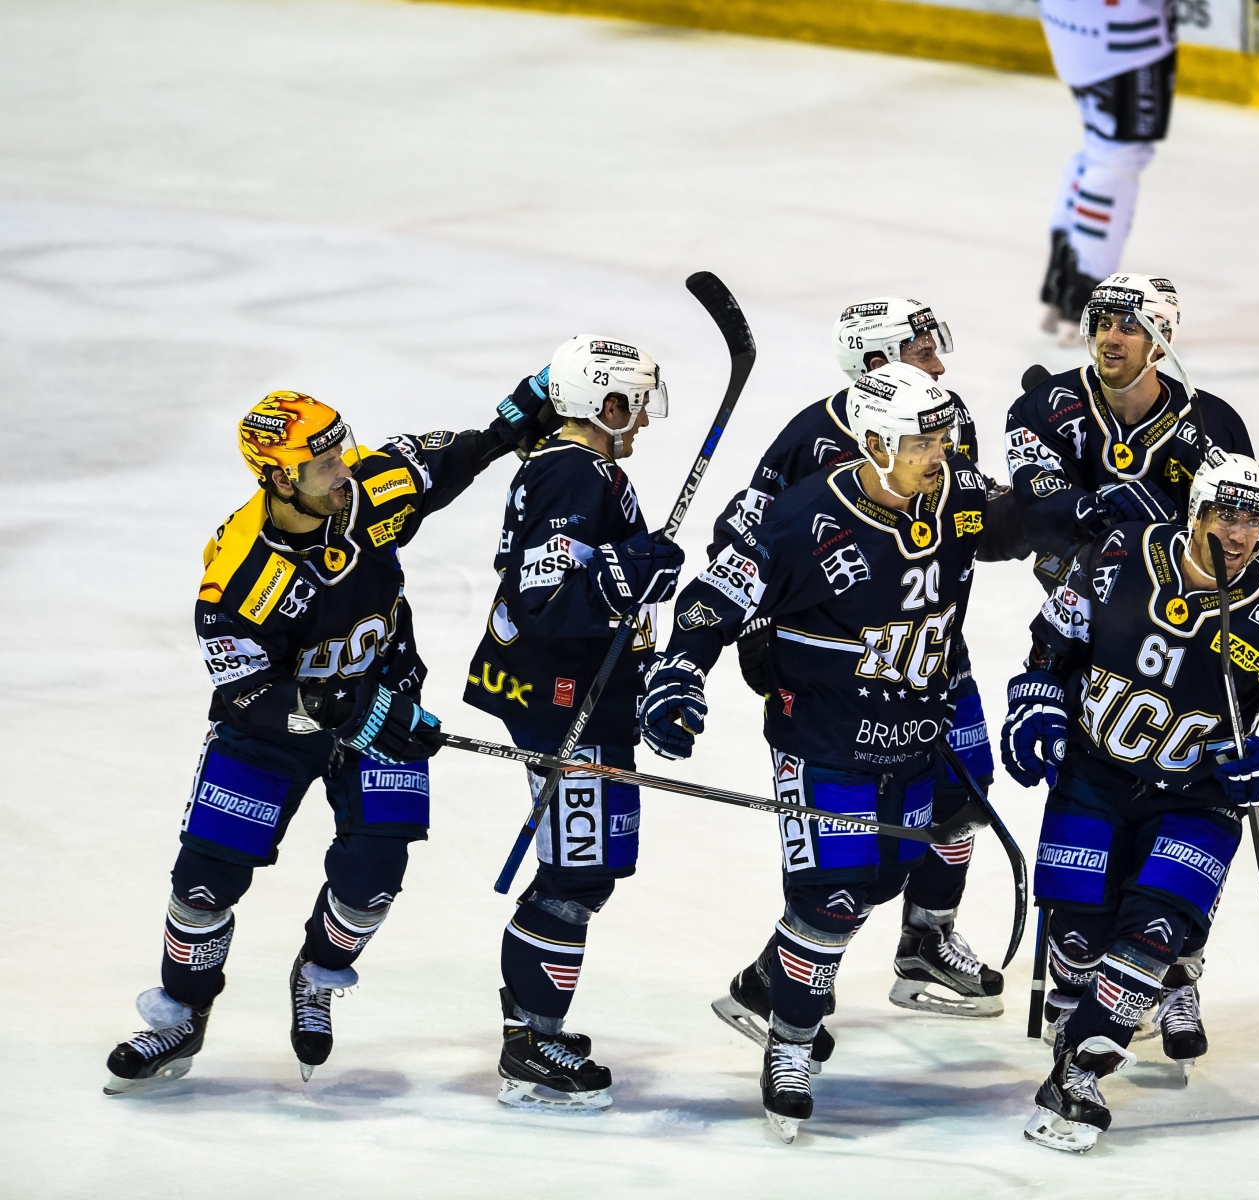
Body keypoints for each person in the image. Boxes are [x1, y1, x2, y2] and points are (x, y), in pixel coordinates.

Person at [104, 389, 544, 1095]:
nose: (346, 470)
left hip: (385, 704)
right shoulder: (237, 577)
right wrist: (337, 713)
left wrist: (520, 415)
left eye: (342, 452)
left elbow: (454, 458)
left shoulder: (367, 491)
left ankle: (317, 975)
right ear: (280, 478)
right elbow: (250, 694)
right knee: (202, 884)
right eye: (324, 463)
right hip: (273, 732)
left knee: (371, 886)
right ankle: (182, 1013)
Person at [640, 363, 1016, 1142]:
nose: (941, 453)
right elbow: (716, 599)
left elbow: (1018, 523)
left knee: (883, 882)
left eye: (943, 437)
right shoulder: (805, 521)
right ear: (876, 443)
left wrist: (1091, 513)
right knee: (831, 900)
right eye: (923, 440)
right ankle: (790, 1044)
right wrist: (677, 674)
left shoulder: (951, 503)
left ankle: (759, 987)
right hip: (824, 746)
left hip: (913, 746)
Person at [1000, 453, 1259, 1152]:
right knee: (1076, 945)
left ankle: (1081, 1070)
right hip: (1093, 777)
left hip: (1198, 799)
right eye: (1226, 514)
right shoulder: (1116, 554)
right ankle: (1099, 1019)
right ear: (1194, 512)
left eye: (1255, 520)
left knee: (1152, 934)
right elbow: (1052, 646)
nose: (1238, 534)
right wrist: (1034, 704)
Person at [708, 298, 1026, 1032]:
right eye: (921, 352)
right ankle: (779, 983)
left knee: (963, 800)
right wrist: (756, 628)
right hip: (846, 680)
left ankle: (926, 943)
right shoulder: (809, 440)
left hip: (935, 657)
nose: (938, 366)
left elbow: (973, 520)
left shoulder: (946, 422)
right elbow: (741, 542)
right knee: (843, 869)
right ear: (876, 366)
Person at [462, 337, 684, 1110]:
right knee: (575, 874)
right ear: (603, 403)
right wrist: (628, 574)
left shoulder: (569, 466)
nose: (644, 423)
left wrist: (627, 577)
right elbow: (547, 599)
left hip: (572, 694)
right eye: (635, 406)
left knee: (584, 870)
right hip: (564, 704)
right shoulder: (574, 470)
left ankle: (533, 1023)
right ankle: (530, 1040)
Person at [1008, 272, 1258, 593]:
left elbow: (1246, 532)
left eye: (1128, 328)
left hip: (1179, 607)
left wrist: (1166, 534)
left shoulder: (1213, 426)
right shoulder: (1049, 404)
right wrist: (1089, 508)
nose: (1111, 338)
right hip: (1075, 607)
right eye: (1103, 324)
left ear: (1160, 342)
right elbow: (1036, 505)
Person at [1036, 0, 1178, 343]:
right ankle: (1085, 296)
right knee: (1118, 156)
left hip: (1074, 25)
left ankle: (1065, 282)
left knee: (1101, 145)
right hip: (1120, 35)